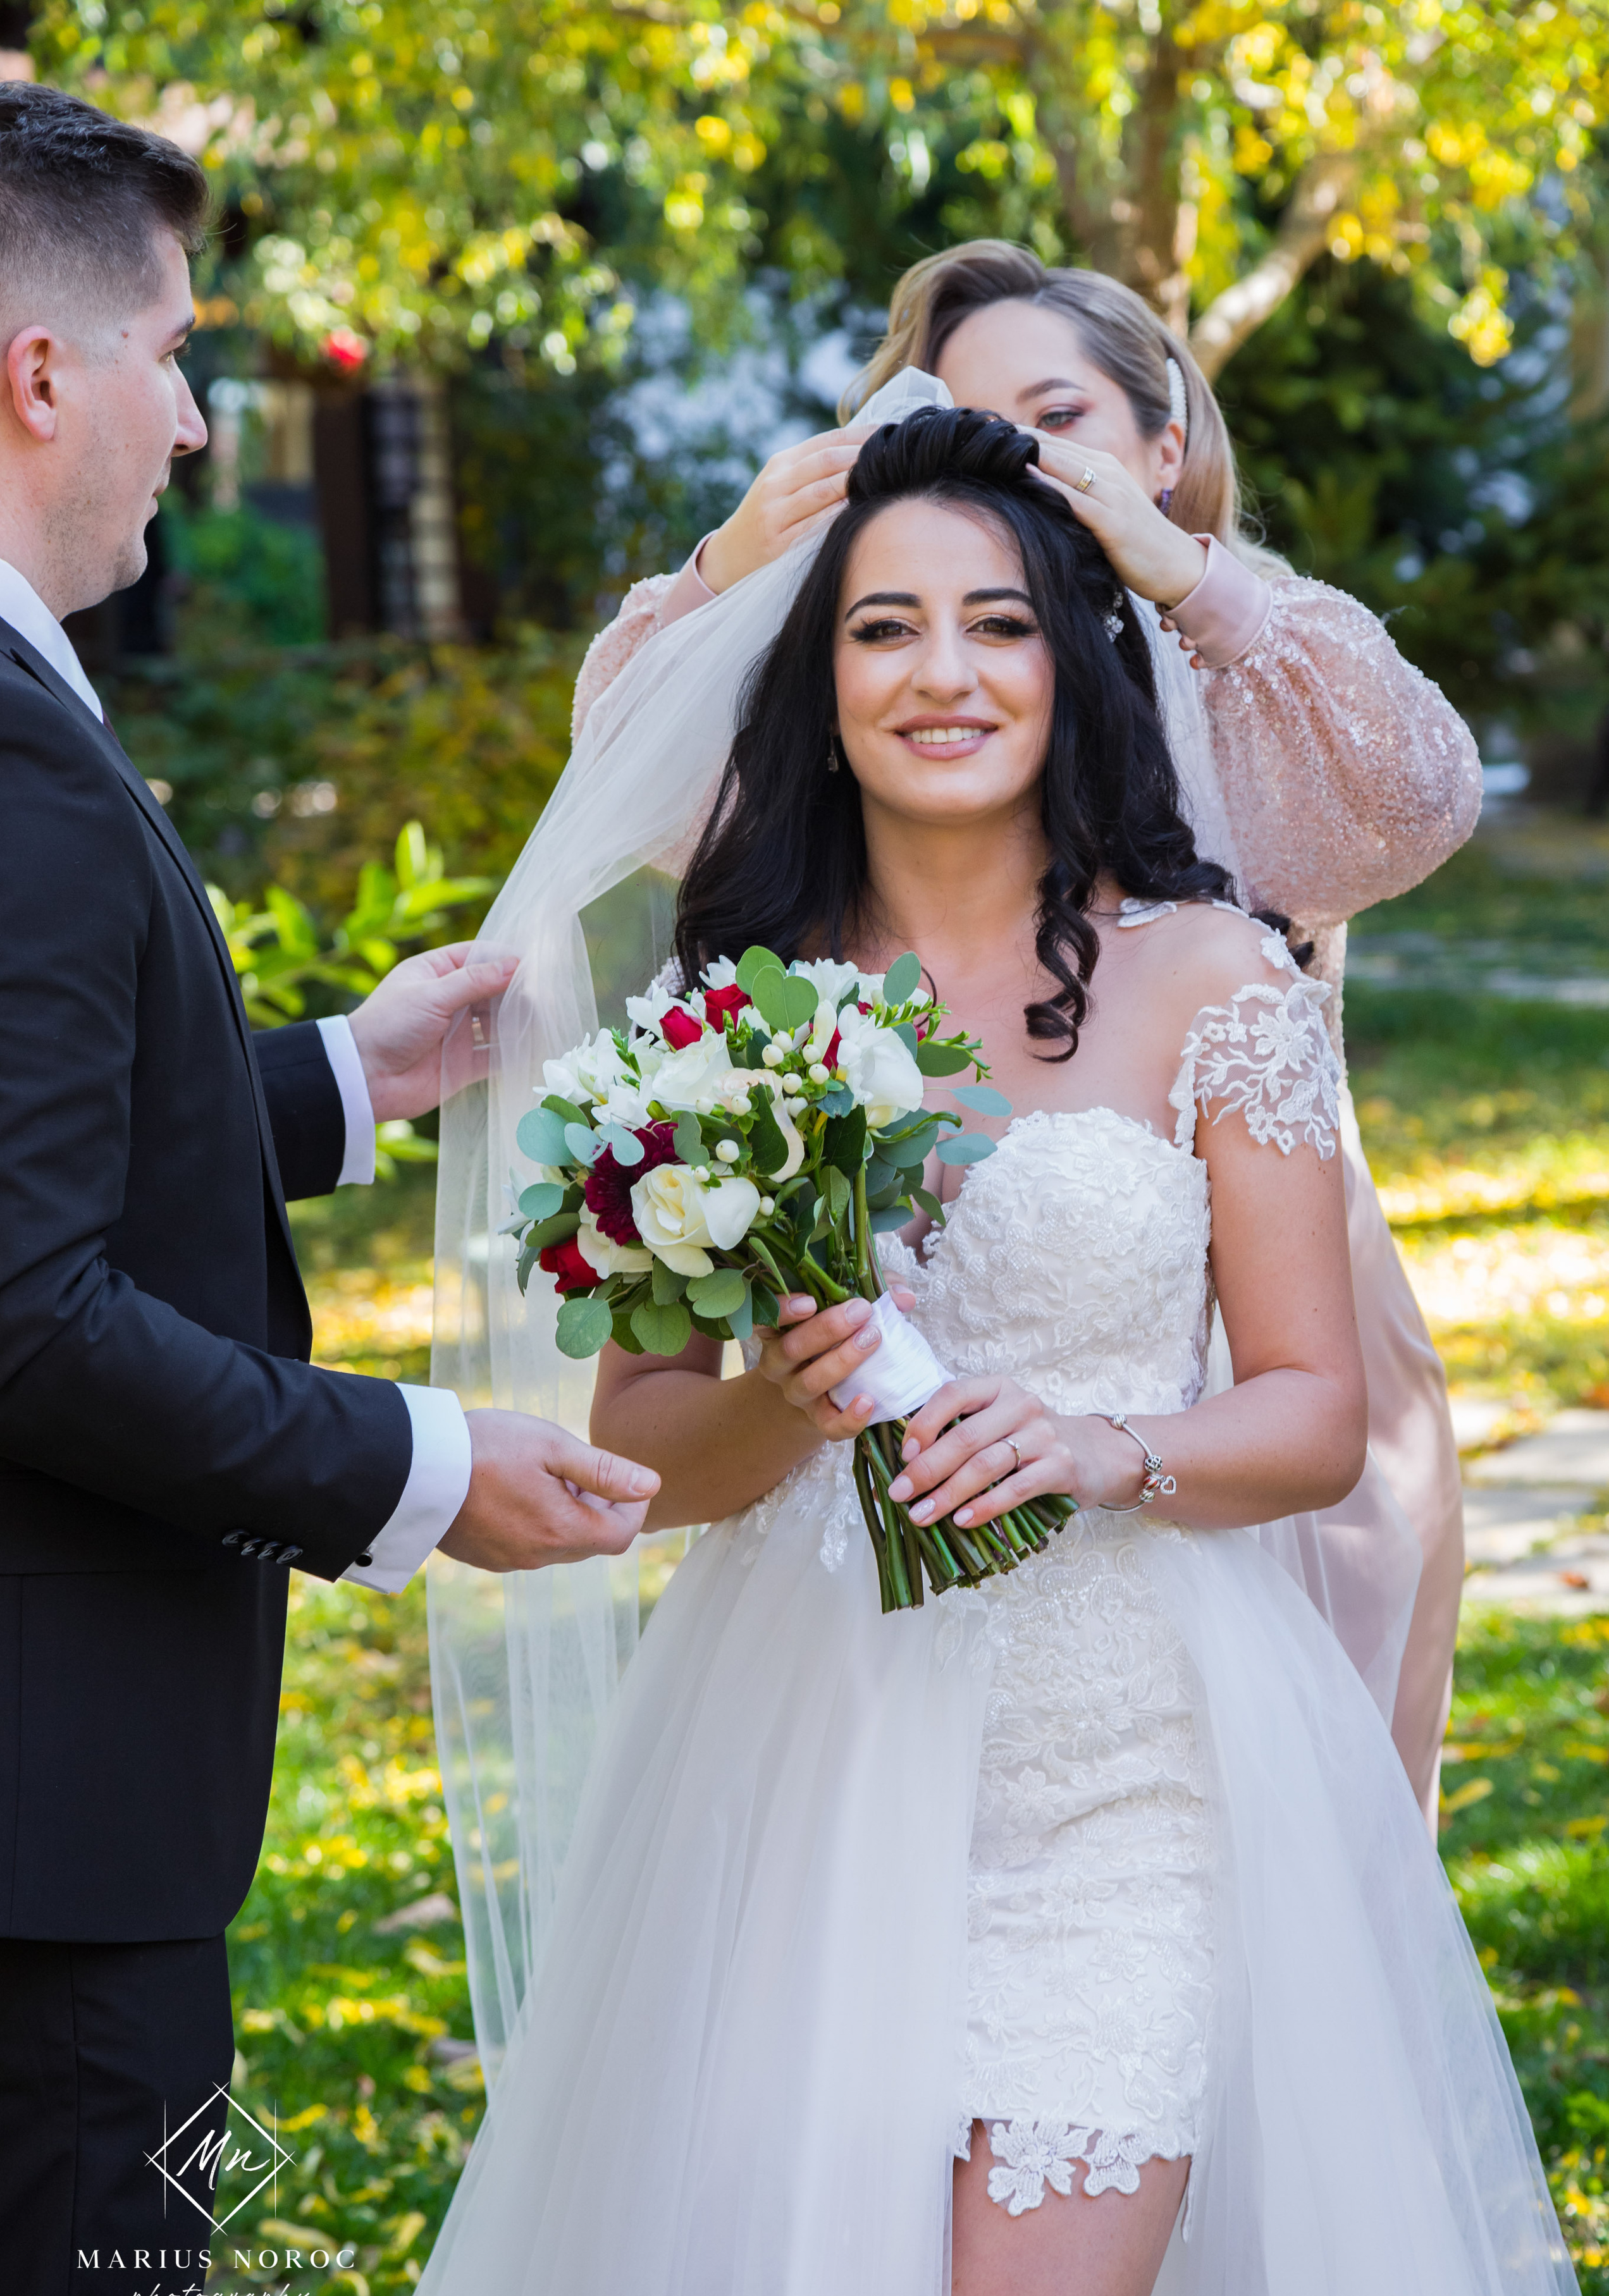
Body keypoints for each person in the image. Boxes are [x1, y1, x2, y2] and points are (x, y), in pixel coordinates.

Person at [362, 408, 1600, 2296]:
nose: (942, 673)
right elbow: (648, 1461)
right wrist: (789, 1400)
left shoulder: (1219, 982)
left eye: (998, 624)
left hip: (1129, 1785)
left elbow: (1316, 1413)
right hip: (805, 1768)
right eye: (884, 629)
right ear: (821, 680)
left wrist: (1115, 1450)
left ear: (1071, 664)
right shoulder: (725, 1014)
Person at [0, 83, 657, 2296]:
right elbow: (20, 1315)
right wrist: (416, 1464)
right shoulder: (12, 756)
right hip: (47, 1860)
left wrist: (346, 1079)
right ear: (39, 373)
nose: (198, 422)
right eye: (178, 355)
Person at [573, 240, 1477, 1830]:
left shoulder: (1246, 732)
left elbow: (1416, 793)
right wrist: (728, 568)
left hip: (1216, 1412)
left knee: (1327, 1783)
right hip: (829, 1652)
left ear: (1160, 445)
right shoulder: (766, 973)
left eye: (1050, 421)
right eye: (955, 420)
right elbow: (629, 767)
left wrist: (1181, 575)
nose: (1007, 462)